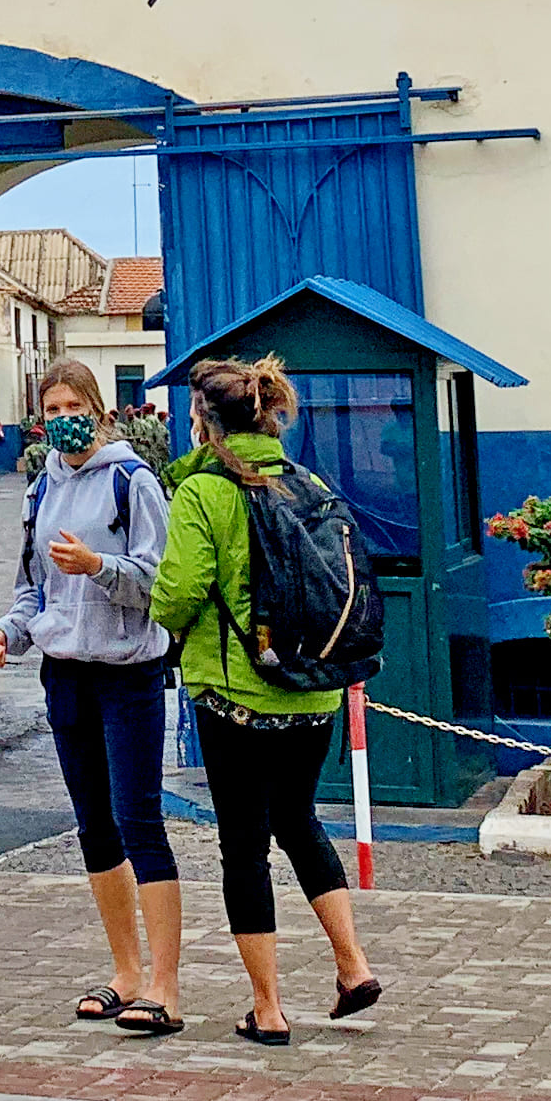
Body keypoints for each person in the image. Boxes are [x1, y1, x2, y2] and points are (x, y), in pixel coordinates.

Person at [147, 353, 381, 1045]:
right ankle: (351, 964)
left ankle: (268, 1008)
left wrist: (163, 609)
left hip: (236, 696)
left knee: (244, 848)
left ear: (206, 424)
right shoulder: (307, 483)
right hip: (315, 694)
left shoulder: (204, 492)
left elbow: (181, 590)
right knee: (300, 821)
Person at [0, 356, 183, 1035]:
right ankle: (124, 971)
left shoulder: (133, 482)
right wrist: (9, 632)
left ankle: (166, 984)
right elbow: (31, 585)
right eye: (54, 408)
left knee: (139, 819)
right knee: (94, 825)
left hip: (127, 672)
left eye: (76, 407)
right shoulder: (40, 490)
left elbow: (162, 582)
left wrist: (99, 567)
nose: (65, 419)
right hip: (64, 671)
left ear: (100, 410)